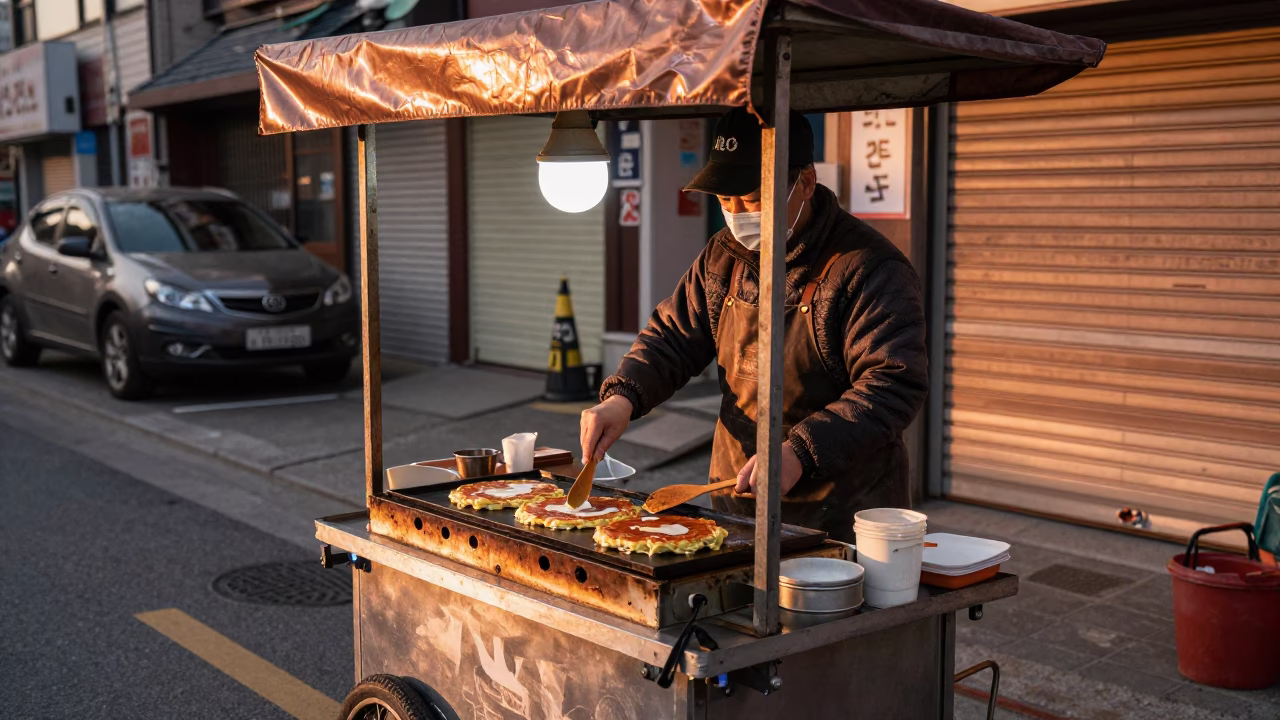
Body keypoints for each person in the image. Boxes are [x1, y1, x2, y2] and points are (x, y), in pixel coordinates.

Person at [580, 107, 927, 542]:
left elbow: (893, 384)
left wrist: (801, 450)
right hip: (734, 502)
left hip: (843, 517)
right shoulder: (722, 255)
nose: (737, 213)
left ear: (803, 182)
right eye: (726, 200)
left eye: (752, 198)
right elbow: (673, 336)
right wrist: (623, 397)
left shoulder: (869, 268)